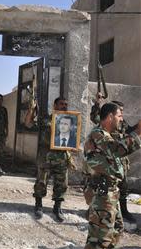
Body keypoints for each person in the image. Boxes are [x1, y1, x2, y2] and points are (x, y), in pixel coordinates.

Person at [83, 103, 141, 249]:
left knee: (116, 229)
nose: (122, 119)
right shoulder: (98, 134)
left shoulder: (108, 135)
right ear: (110, 117)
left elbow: (119, 144)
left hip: (111, 192)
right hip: (102, 194)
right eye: (119, 116)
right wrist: (138, 131)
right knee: (102, 238)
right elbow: (117, 149)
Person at [89, 95, 137, 223]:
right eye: (119, 112)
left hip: (121, 160)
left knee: (123, 187)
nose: (122, 115)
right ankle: (96, 212)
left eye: (122, 112)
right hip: (109, 158)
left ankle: (123, 211)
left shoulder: (122, 123)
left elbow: (131, 131)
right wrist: (97, 104)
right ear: (111, 115)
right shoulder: (101, 130)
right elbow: (95, 117)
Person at [29, 97, 73, 222]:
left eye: (65, 104)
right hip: (46, 157)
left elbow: (73, 138)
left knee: (61, 184)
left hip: (62, 158)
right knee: (41, 183)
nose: (64, 106)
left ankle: (57, 208)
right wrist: (31, 110)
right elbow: (28, 123)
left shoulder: (70, 121)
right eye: (61, 104)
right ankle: (38, 206)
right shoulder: (45, 120)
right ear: (55, 105)